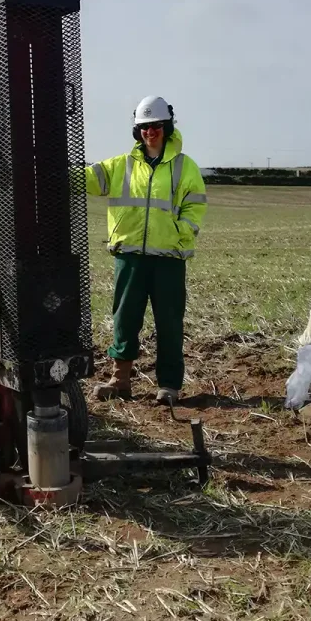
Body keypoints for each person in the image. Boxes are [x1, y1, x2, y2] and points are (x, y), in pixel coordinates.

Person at [85, 95, 207, 404]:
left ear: (166, 127)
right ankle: (120, 379)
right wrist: (48, 164)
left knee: (169, 322)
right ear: (136, 131)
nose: (149, 132)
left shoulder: (185, 167)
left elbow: (195, 209)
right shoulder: (121, 165)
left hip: (168, 259)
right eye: (143, 127)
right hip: (130, 258)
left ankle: (168, 385)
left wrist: (180, 232)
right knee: (125, 320)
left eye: (155, 126)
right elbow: (86, 179)